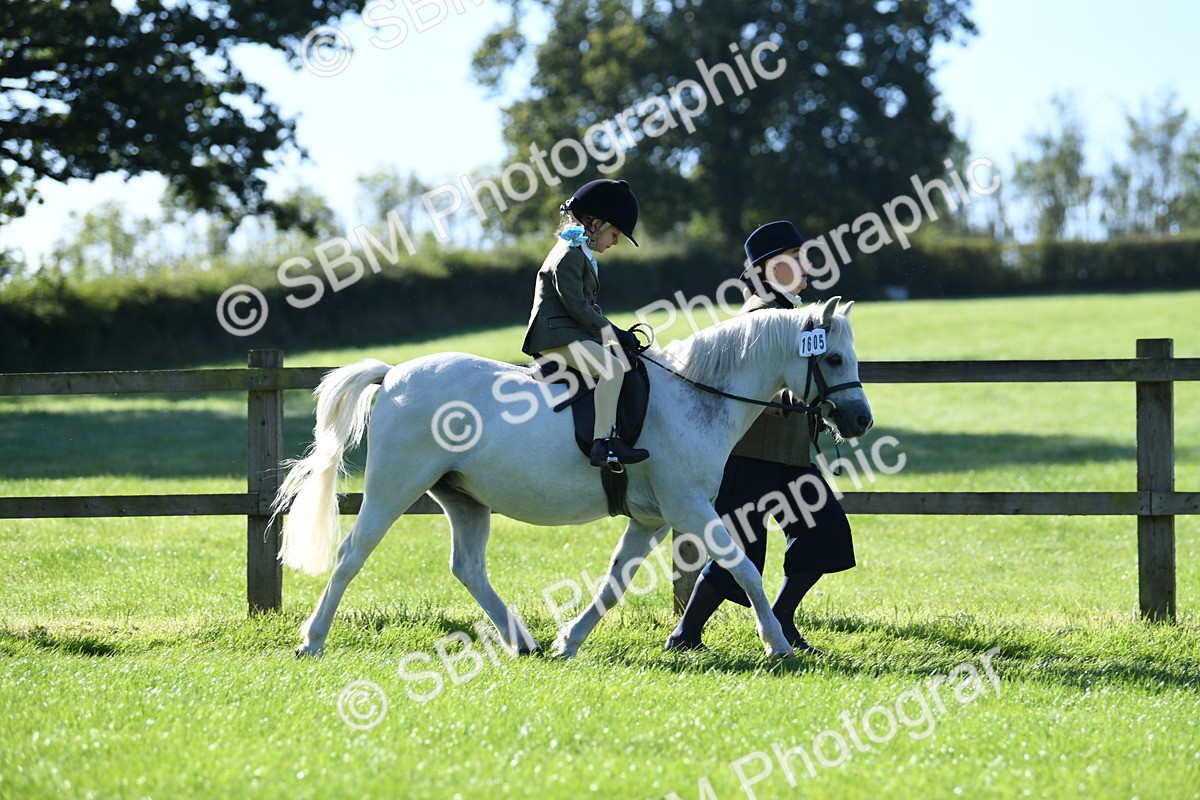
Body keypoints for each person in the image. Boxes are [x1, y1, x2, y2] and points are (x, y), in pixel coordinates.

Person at [665, 220, 856, 654]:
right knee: (739, 550)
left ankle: (782, 619)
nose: (806, 266)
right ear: (769, 268)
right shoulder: (756, 319)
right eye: (795, 259)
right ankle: (685, 635)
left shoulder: (798, 315)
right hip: (748, 453)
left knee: (826, 534)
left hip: (791, 455)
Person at [521, 178, 648, 467]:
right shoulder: (568, 255)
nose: (615, 242)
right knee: (612, 367)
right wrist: (610, 332)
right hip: (554, 337)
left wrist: (616, 335)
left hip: (570, 333)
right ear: (595, 225)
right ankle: (604, 442)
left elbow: (588, 307)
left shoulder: (581, 254)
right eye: (614, 234)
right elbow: (576, 306)